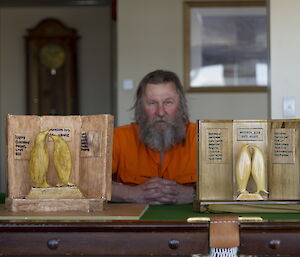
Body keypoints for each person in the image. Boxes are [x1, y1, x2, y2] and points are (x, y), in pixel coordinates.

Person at [111, 70, 196, 204]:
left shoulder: (201, 138)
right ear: (140, 107)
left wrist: (194, 194)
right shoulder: (119, 137)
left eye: (168, 102)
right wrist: (129, 194)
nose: (160, 112)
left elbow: (229, 186)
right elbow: (88, 183)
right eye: (152, 103)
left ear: (181, 106)